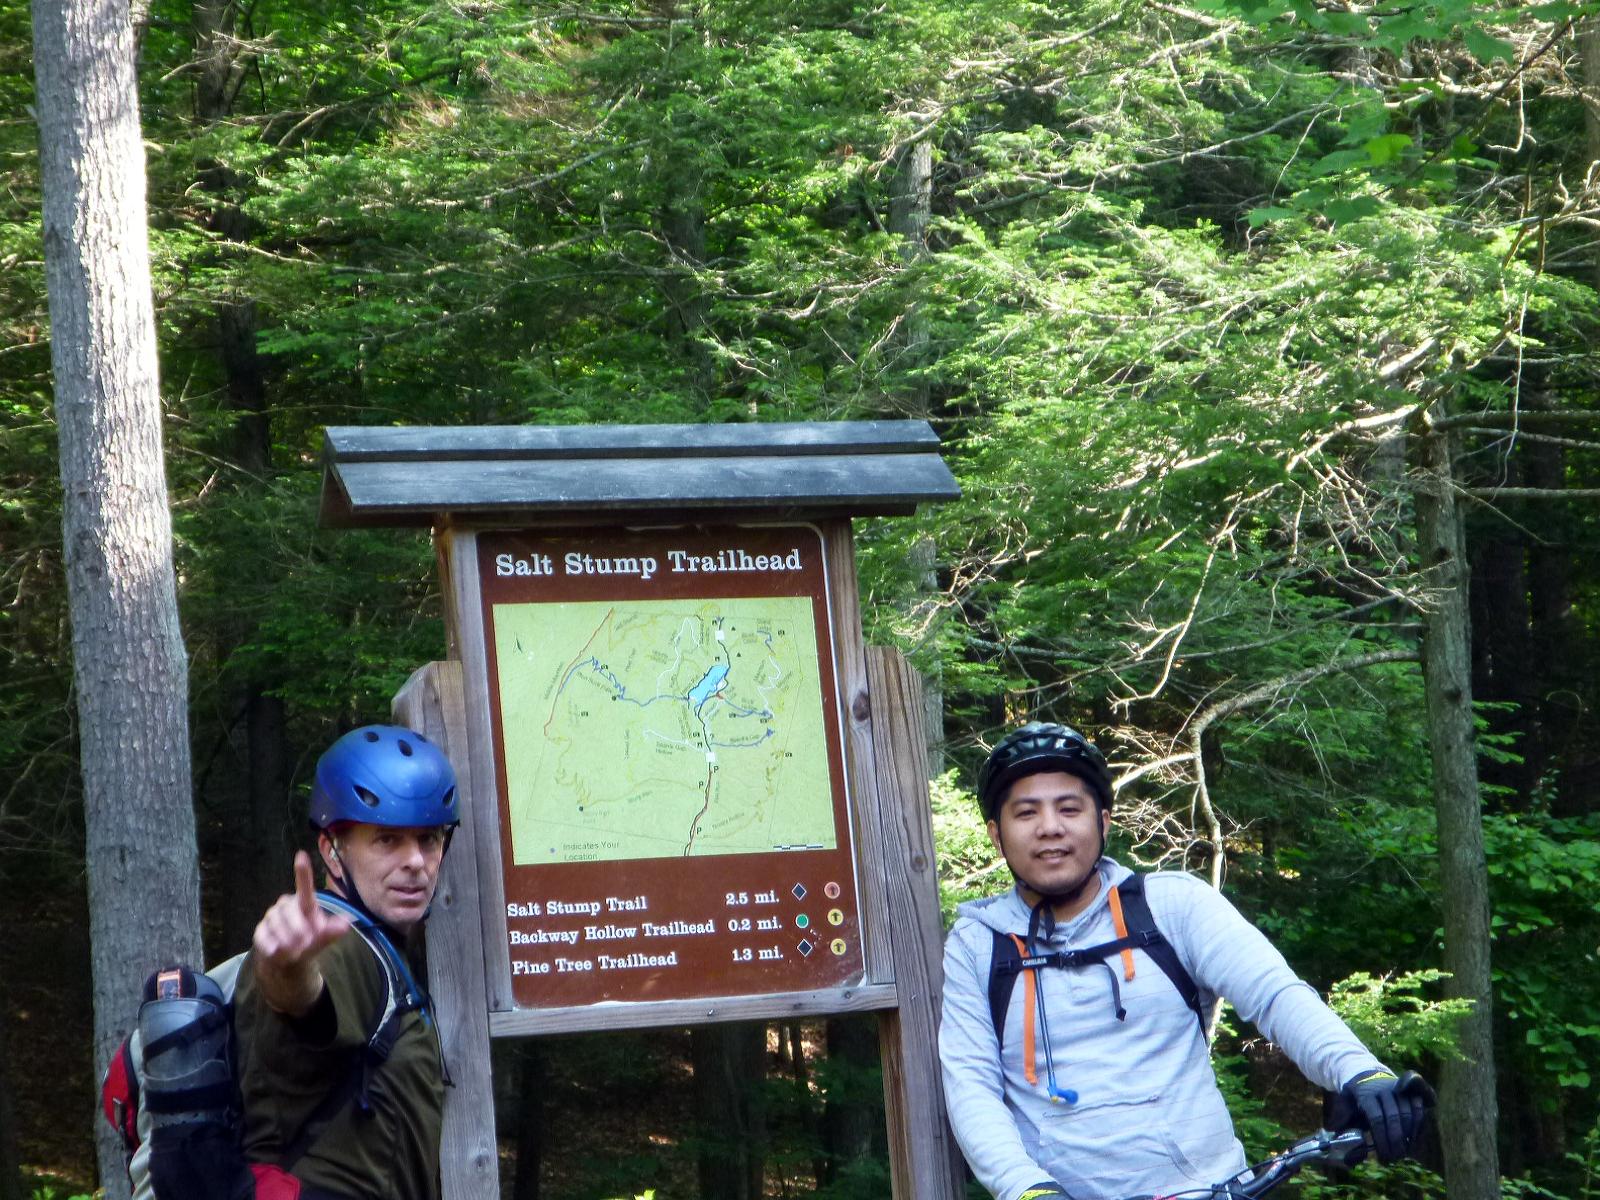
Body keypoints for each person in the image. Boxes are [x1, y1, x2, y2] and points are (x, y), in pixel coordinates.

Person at [938, 722, 1434, 1200]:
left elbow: (1275, 995)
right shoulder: (978, 945)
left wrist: (1359, 1073)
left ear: (1103, 822)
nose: (1050, 828)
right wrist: (1026, 1190)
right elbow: (972, 1088)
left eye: (1069, 808)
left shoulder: (1171, 906)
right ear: (996, 834)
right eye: (1026, 813)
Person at [234, 724, 459, 1200]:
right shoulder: (344, 944)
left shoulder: (385, 949)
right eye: (387, 841)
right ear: (331, 851)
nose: (415, 861)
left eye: (428, 839)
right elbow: (308, 1004)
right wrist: (286, 969)